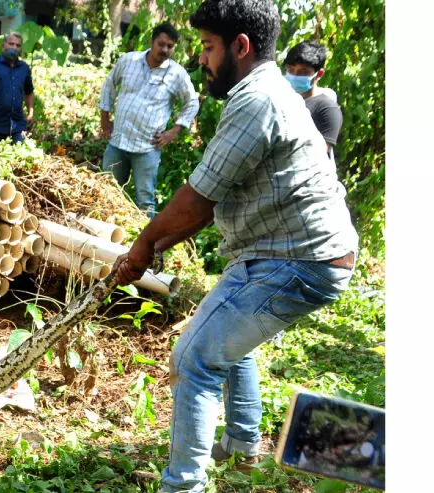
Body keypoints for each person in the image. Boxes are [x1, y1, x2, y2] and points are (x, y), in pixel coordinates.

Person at [110, 1, 359, 491]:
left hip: (298, 259)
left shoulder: (257, 99)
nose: (200, 58)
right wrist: (154, 246)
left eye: (207, 47)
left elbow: (199, 198)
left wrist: (142, 247)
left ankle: (183, 486)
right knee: (227, 337)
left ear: (240, 47)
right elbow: (206, 201)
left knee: (193, 358)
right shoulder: (269, 92)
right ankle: (243, 448)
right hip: (292, 253)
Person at [98, 23, 200, 218]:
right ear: (152, 42)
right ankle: (103, 236)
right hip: (118, 141)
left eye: (170, 46)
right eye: (161, 44)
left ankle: (143, 246)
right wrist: (105, 118)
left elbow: (192, 102)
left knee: (144, 201)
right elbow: (110, 83)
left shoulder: (177, 74)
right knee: (106, 192)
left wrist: (174, 131)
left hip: (147, 148)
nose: (164, 50)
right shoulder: (129, 60)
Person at [284, 41, 344, 159]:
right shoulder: (282, 98)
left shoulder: (327, 109)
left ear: (319, 74)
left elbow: (318, 155)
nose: (295, 76)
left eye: (303, 72)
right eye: (291, 70)